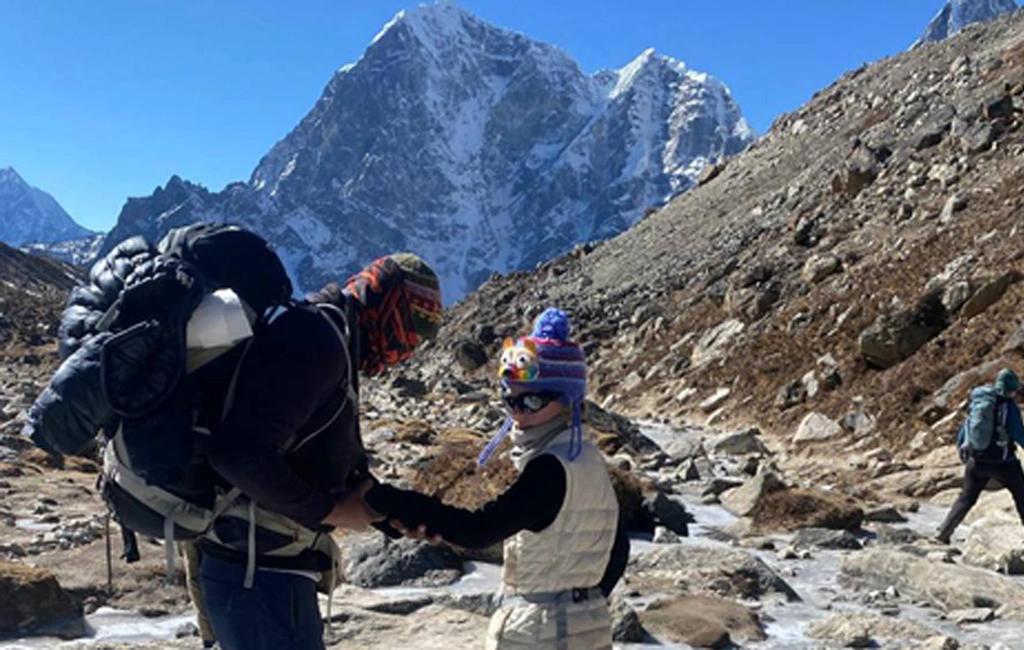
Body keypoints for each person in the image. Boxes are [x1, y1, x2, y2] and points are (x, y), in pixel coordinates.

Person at [197, 253, 443, 650]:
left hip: (261, 573)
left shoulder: (331, 336)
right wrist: (332, 512)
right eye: (413, 329)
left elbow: (306, 451)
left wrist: (383, 511)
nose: (409, 350)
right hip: (258, 578)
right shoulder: (317, 341)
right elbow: (238, 455)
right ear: (389, 307)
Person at [367, 307, 628, 650]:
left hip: (538, 632)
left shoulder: (549, 468)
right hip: (588, 627)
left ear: (567, 400)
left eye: (531, 400)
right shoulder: (588, 458)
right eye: (509, 399)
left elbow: (480, 529)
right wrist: (583, 603)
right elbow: (618, 547)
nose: (517, 412)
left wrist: (396, 502)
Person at [936, 368, 1024, 544]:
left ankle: (944, 532)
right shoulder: (1008, 407)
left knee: (966, 498)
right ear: (1012, 389)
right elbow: (1019, 435)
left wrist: (966, 456)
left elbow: (965, 431)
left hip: (976, 461)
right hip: (1003, 463)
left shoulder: (980, 402)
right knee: (1022, 495)